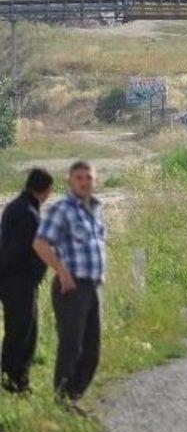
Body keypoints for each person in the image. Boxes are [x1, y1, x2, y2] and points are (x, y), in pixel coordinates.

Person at [33, 161, 105, 412]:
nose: (84, 182)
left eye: (88, 177)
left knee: (92, 349)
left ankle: (72, 398)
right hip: (71, 288)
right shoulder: (62, 210)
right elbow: (40, 244)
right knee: (71, 345)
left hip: (92, 287)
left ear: (95, 180)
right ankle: (62, 399)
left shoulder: (95, 209)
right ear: (70, 181)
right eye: (79, 178)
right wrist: (62, 272)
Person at [0, 168, 54, 393]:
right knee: (22, 332)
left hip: (15, 281)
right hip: (18, 282)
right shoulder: (28, 214)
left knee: (23, 330)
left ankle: (14, 377)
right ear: (45, 190)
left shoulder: (17, 207)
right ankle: (16, 381)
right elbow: (17, 251)